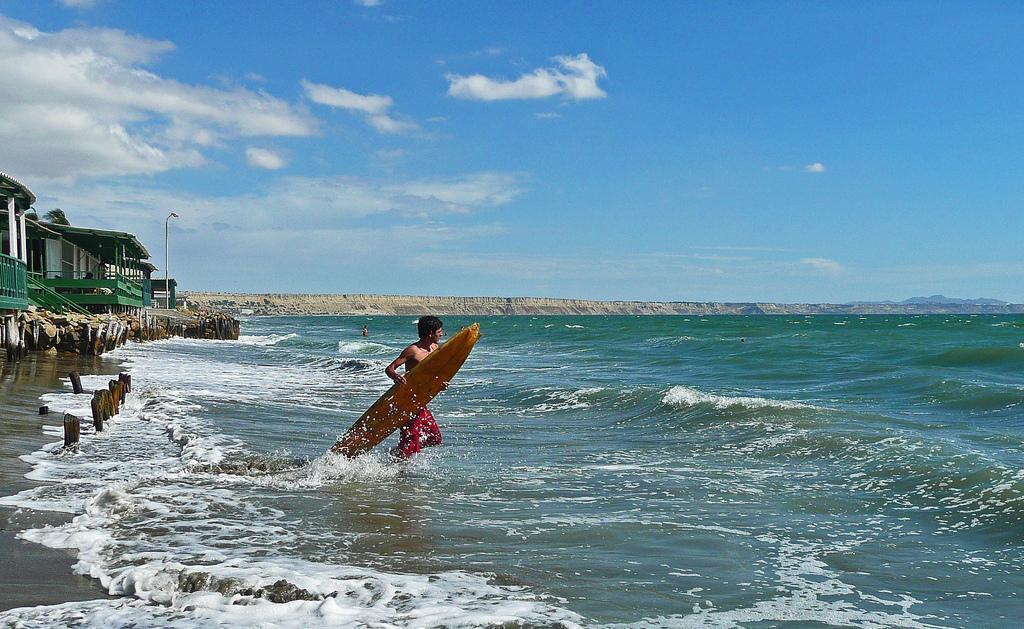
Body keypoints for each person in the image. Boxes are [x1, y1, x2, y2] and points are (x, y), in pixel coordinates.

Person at [385, 316, 447, 459]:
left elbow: (433, 374)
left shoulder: (435, 348)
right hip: (407, 401)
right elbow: (390, 369)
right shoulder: (413, 351)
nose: (441, 334)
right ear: (430, 333)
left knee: (434, 437)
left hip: (421, 400)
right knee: (411, 441)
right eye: (439, 331)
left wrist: (440, 384)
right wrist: (396, 377)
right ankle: (398, 473)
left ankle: (398, 453)